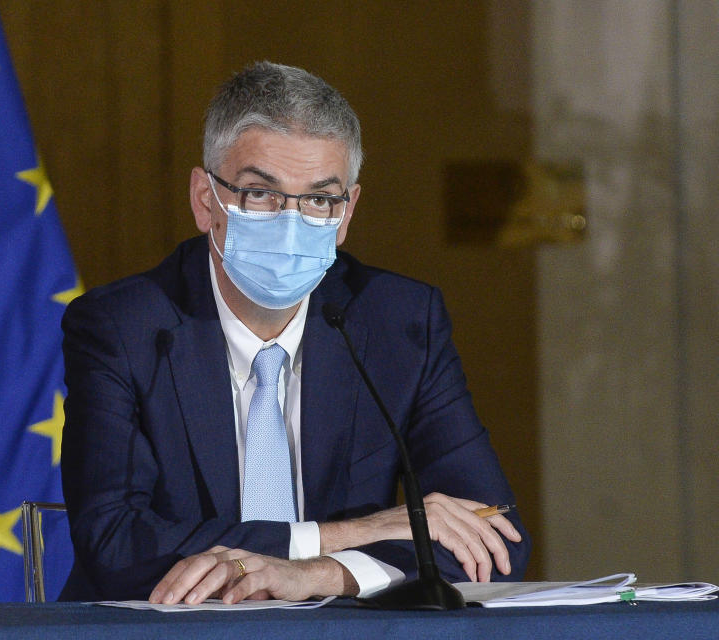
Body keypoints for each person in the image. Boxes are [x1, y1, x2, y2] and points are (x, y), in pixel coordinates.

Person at [59, 61, 530, 604]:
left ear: (347, 212)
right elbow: (115, 544)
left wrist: (321, 574)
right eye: (260, 193)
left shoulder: (399, 322)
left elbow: (496, 540)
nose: (291, 220)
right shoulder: (123, 326)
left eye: (319, 199)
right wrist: (343, 536)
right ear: (205, 200)